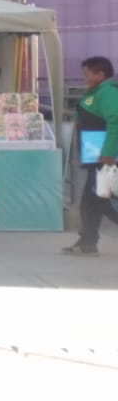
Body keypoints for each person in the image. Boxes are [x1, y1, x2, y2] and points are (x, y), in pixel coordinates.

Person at [70, 56, 118, 256]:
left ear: (101, 74)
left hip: (103, 157)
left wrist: (108, 154)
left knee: (103, 201)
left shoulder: (108, 92)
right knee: (89, 201)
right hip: (94, 155)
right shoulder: (96, 92)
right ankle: (87, 242)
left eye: (88, 74)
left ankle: (88, 241)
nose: (85, 78)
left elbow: (115, 122)